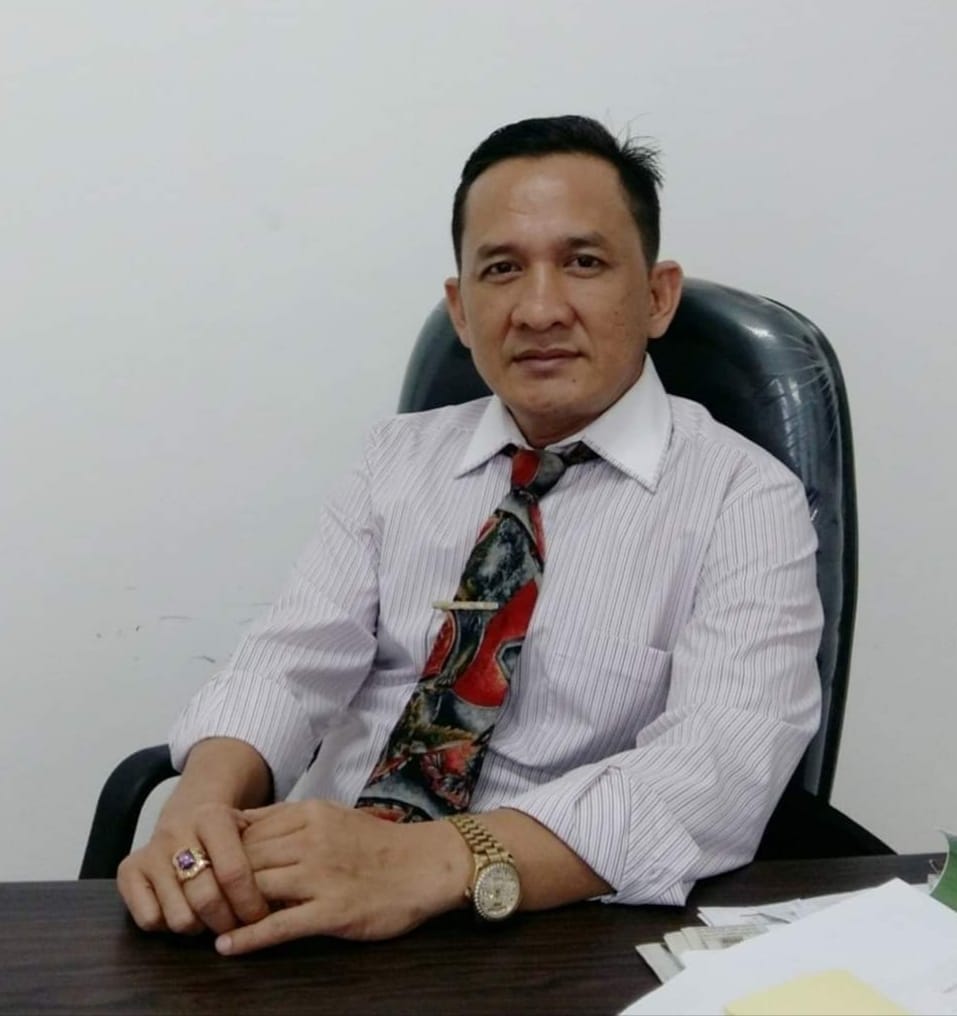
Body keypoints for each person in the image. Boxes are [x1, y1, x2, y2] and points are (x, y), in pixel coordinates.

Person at [118, 115, 822, 955]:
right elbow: (288, 661)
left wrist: (424, 863)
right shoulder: (394, 459)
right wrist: (201, 804)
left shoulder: (745, 498)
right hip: (312, 898)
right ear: (459, 307)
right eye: (500, 269)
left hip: (539, 934)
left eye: (583, 262)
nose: (538, 309)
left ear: (657, 295)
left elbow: (715, 772)